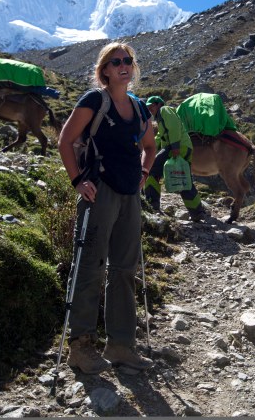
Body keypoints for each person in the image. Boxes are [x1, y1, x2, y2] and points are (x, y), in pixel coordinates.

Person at [57, 42, 157, 374]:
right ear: (105, 71)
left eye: (128, 60)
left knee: (124, 270)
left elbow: (150, 146)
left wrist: (144, 173)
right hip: (99, 193)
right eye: (116, 62)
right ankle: (81, 346)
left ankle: (120, 345)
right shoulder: (94, 101)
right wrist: (77, 180)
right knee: (90, 267)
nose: (123, 65)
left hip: (130, 194)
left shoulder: (139, 107)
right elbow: (65, 140)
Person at [144, 95, 206, 221]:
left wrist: (175, 147)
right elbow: (160, 137)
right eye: (148, 108)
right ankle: (197, 212)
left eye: (151, 107)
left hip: (176, 147)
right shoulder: (160, 118)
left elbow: (174, 127)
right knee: (183, 179)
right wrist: (149, 149)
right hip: (183, 147)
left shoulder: (164, 110)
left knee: (152, 170)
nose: (150, 110)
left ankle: (152, 204)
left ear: (158, 104)